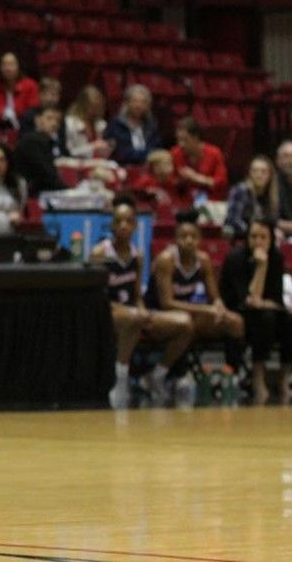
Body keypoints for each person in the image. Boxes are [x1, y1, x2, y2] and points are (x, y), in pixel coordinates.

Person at [91, 197, 191, 408]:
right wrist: (134, 312)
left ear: (136, 225)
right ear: (111, 225)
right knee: (134, 319)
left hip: (132, 312)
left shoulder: (138, 254)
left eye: (128, 221)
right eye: (119, 221)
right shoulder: (100, 254)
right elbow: (97, 298)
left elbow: (137, 294)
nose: (124, 226)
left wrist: (142, 309)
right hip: (107, 312)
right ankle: (120, 381)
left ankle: (156, 376)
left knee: (184, 324)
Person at [219, 219, 292, 404]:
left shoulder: (277, 257)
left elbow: (276, 300)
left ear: (272, 239)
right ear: (246, 238)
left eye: (263, 237)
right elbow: (249, 300)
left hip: (266, 310)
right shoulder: (235, 258)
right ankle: (258, 376)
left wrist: (263, 303)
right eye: (254, 236)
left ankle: (284, 377)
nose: (258, 242)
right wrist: (261, 267)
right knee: (266, 318)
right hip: (238, 314)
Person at [149, 211, 244, 367]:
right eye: (183, 237)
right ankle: (160, 373)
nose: (189, 241)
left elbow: (214, 297)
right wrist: (206, 310)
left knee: (234, 321)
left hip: (189, 313)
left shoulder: (203, 260)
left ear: (200, 239)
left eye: (193, 237)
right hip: (159, 314)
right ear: (175, 240)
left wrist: (218, 305)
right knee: (185, 324)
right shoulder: (166, 260)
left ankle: (233, 374)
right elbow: (167, 303)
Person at [12, 105, 63, 203]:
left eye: (57, 120)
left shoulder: (46, 142)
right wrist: (70, 190)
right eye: (49, 118)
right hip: (28, 198)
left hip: (41, 194)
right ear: (38, 120)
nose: (54, 123)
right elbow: (46, 176)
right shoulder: (32, 141)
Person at [223, 154, 280, 238]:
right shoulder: (240, 191)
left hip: (262, 239)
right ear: (249, 173)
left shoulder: (272, 195)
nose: (259, 175)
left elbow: (272, 221)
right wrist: (255, 233)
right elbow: (233, 219)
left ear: (270, 175)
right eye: (255, 171)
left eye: (263, 171)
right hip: (240, 238)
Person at [105, 85, 161, 167]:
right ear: (127, 103)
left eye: (143, 102)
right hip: (123, 167)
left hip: (148, 167)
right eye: (135, 101)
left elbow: (157, 149)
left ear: (148, 106)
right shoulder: (116, 124)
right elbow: (121, 153)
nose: (138, 105)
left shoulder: (151, 125)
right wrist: (147, 155)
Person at [172, 117, 228, 199]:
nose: (181, 144)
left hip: (210, 200)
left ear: (196, 138)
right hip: (184, 201)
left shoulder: (214, 153)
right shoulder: (175, 153)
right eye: (179, 140)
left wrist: (196, 177)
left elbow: (221, 183)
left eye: (185, 140)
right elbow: (171, 181)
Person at [0, 52, 38, 129]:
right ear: (0, 68)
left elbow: (33, 111)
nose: (8, 68)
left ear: (18, 67)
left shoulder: (30, 85)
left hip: (23, 128)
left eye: (11, 64)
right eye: (5, 65)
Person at [63, 84, 109, 161]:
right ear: (83, 105)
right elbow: (69, 153)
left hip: (98, 163)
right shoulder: (70, 124)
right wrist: (92, 147)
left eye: (98, 107)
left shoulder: (101, 124)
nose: (96, 110)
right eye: (93, 106)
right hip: (76, 164)